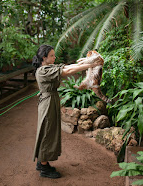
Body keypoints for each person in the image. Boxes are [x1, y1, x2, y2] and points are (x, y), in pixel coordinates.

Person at [32, 44, 98, 179]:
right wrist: (90, 65)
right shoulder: (43, 71)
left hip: (50, 101)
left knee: (48, 130)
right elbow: (66, 72)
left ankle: (42, 161)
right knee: (47, 132)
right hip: (47, 103)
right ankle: (44, 167)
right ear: (44, 58)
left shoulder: (49, 67)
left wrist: (88, 63)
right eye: (51, 55)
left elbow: (67, 67)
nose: (54, 57)